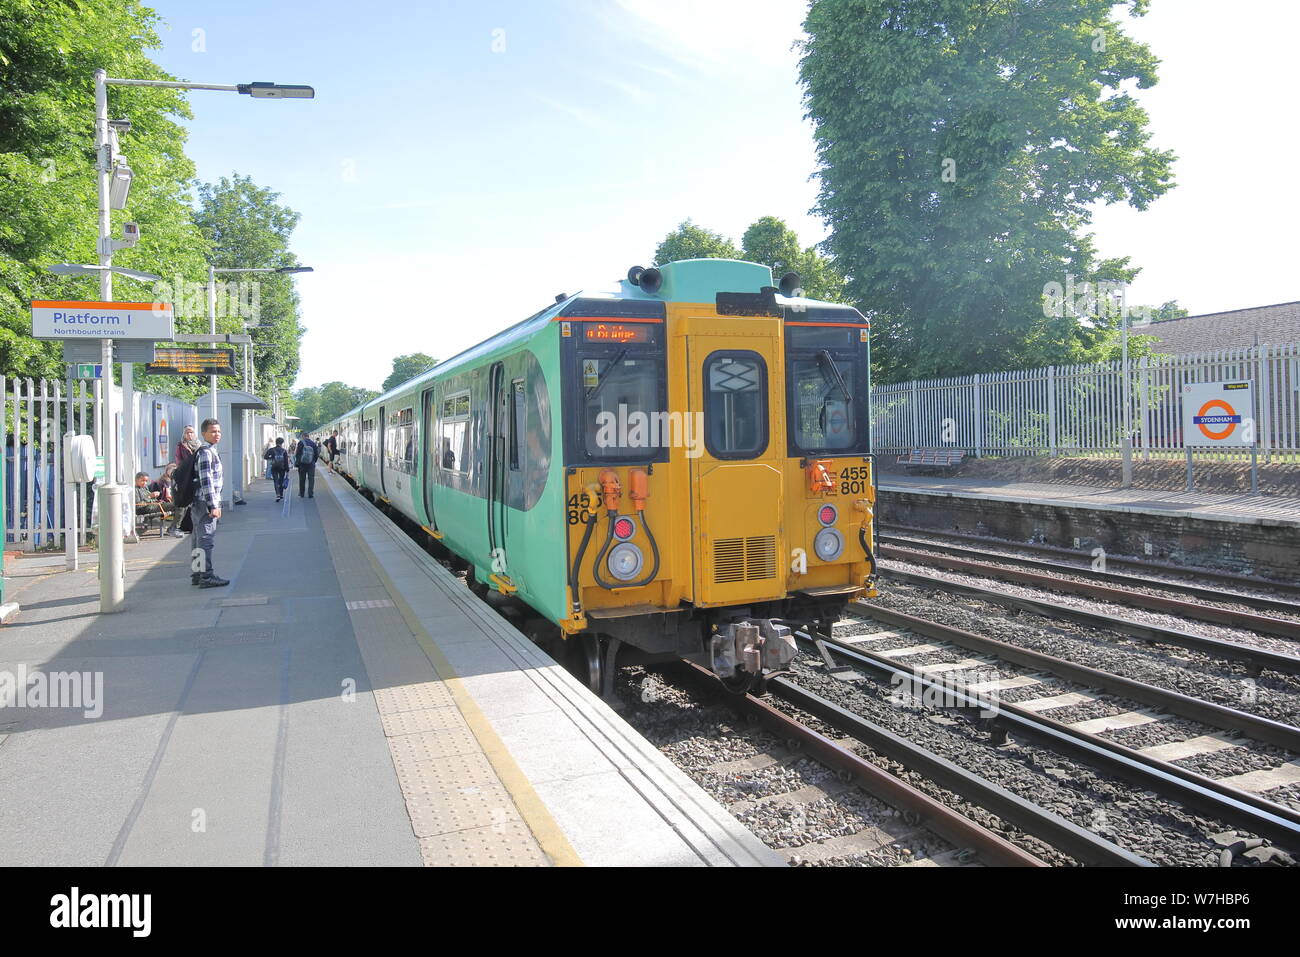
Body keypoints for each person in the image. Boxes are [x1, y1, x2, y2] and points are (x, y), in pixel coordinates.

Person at [191, 418, 228, 588]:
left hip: (199, 502)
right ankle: (206, 576)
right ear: (203, 433)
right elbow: (206, 481)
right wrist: (214, 505)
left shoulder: (207, 450)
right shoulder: (206, 452)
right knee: (205, 539)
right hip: (205, 503)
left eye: (218, 431)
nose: (217, 434)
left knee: (198, 539)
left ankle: (198, 574)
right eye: (213, 431)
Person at [155, 463, 184, 537]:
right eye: (172, 471)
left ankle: (174, 527)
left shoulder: (172, 479)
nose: (173, 473)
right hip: (162, 502)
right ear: (167, 471)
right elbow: (168, 496)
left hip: (164, 502)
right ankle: (173, 528)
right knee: (181, 506)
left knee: (183, 505)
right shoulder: (165, 480)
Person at [264, 437, 291, 502]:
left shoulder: (271, 450)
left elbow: (265, 457)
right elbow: (286, 461)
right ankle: (281, 494)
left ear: (276, 442)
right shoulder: (284, 451)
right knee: (281, 481)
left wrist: (272, 459)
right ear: (282, 443)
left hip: (274, 467)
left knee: (275, 481)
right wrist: (287, 470)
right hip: (282, 468)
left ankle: (277, 494)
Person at [294, 431, 319, 498]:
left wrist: (298, 463)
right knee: (311, 479)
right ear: (308, 436)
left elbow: (298, 454)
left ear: (303, 436)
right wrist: (313, 461)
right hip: (311, 464)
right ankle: (310, 494)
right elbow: (316, 454)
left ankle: (302, 493)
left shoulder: (300, 443)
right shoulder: (313, 443)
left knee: (302, 479)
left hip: (302, 464)